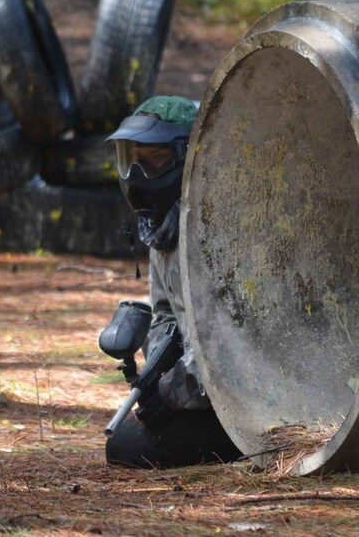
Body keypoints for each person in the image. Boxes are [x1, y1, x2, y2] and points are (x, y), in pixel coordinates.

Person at [103, 96, 242, 469]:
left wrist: (174, 391)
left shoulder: (220, 228)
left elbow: (233, 341)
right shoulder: (163, 225)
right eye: (130, 159)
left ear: (188, 156)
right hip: (206, 386)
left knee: (127, 448)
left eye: (155, 159)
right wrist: (157, 376)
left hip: (246, 391)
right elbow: (165, 314)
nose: (137, 174)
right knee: (125, 440)